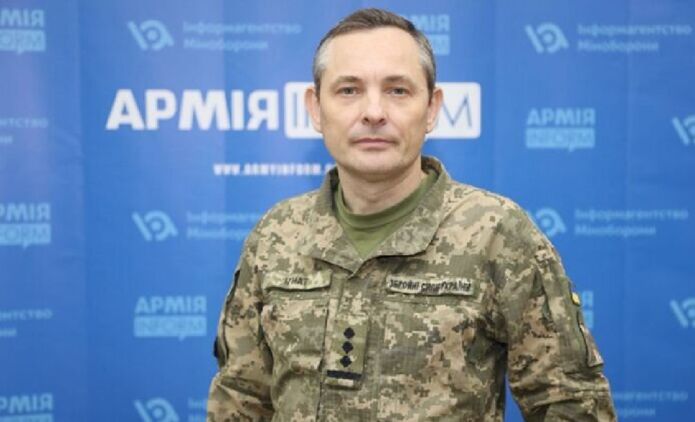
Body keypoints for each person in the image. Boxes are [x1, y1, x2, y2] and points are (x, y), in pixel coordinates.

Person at [207, 8, 616, 422]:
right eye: (348, 90)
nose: (373, 112)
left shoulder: (496, 233)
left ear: (432, 108)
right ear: (315, 108)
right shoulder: (277, 234)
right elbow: (240, 399)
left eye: (398, 90)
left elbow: (572, 403)